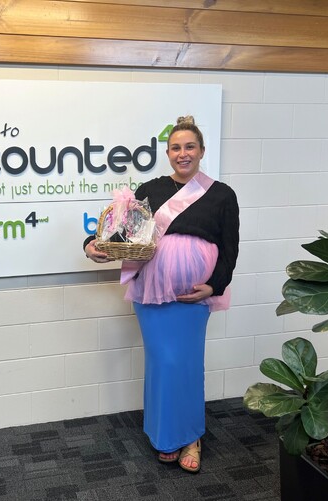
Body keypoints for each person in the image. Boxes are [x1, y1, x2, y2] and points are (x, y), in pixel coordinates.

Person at [84, 116, 239, 473]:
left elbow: (230, 248)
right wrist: (91, 243)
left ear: (201, 151)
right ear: (168, 153)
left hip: (192, 298)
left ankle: (191, 437)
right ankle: (165, 434)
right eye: (176, 148)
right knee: (162, 363)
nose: (183, 154)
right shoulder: (151, 190)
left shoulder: (221, 195)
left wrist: (214, 285)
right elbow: (121, 232)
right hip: (151, 294)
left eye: (190, 147)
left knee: (187, 363)